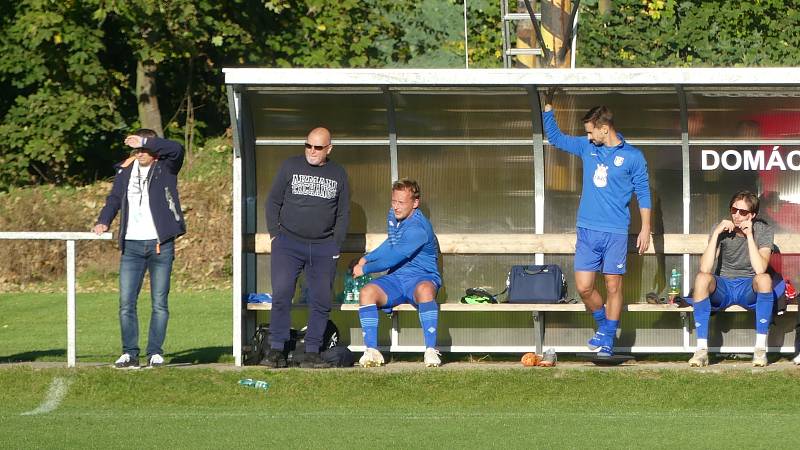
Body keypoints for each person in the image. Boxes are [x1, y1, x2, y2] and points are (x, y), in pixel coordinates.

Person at [542, 98, 651, 357]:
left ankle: (609, 340)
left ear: (605, 128)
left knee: (613, 286)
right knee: (584, 287)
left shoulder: (633, 156)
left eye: (591, 131)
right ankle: (604, 326)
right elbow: (556, 138)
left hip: (615, 232)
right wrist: (548, 108)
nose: (588, 137)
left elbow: (643, 193)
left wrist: (646, 228)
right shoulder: (586, 147)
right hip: (587, 230)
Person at [93, 129, 186, 369]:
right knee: (126, 303)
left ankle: (155, 352)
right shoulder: (125, 170)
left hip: (160, 244)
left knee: (159, 303)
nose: (140, 153)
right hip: (131, 246)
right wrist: (104, 220)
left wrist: (147, 141)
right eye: (137, 149)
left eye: (145, 148)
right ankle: (129, 353)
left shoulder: (166, 168)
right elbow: (114, 199)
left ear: (154, 148)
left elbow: (176, 149)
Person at [264, 127, 350, 369]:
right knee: (281, 294)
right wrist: (275, 236)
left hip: (324, 246)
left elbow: (343, 212)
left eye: (318, 147)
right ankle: (276, 349)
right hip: (288, 244)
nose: (312, 151)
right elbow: (272, 201)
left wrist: (336, 243)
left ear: (329, 149)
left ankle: (313, 350)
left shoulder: (338, 173)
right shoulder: (290, 166)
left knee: (321, 299)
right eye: (308, 145)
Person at [352, 179, 442, 367]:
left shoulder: (418, 228)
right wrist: (368, 257)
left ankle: (431, 351)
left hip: (421, 279)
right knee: (367, 292)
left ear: (415, 203)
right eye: (394, 201)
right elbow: (391, 244)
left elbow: (393, 257)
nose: (396, 207)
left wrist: (365, 268)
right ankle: (371, 351)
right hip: (396, 279)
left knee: (425, 290)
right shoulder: (394, 216)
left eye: (401, 202)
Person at [688, 190, 783, 367]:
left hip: (748, 287)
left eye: (743, 212)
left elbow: (760, 268)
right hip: (723, 286)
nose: (737, 215)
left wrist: (748, 236)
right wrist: (716, 234)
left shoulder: (763, 230)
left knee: (764, 279)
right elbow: (705, 268)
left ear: (752, 215)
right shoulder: (722, 228)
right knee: (702, 278)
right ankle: (701, 350)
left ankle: (760, 350)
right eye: (733, 210)